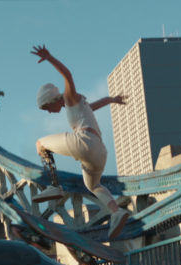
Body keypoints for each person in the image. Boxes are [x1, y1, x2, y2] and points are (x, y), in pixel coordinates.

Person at [31, 44, 130, 240]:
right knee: (93, 185)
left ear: (51, 99)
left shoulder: (69, 98)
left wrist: (49, 57)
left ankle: (54, 185)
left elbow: (68, 75)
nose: (49, 112)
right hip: (100, 152)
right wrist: (111, 99)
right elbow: (95, 106)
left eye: (46, 108)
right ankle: (116, 212)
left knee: (40, 143)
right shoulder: (79, 105)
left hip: (85, 142)